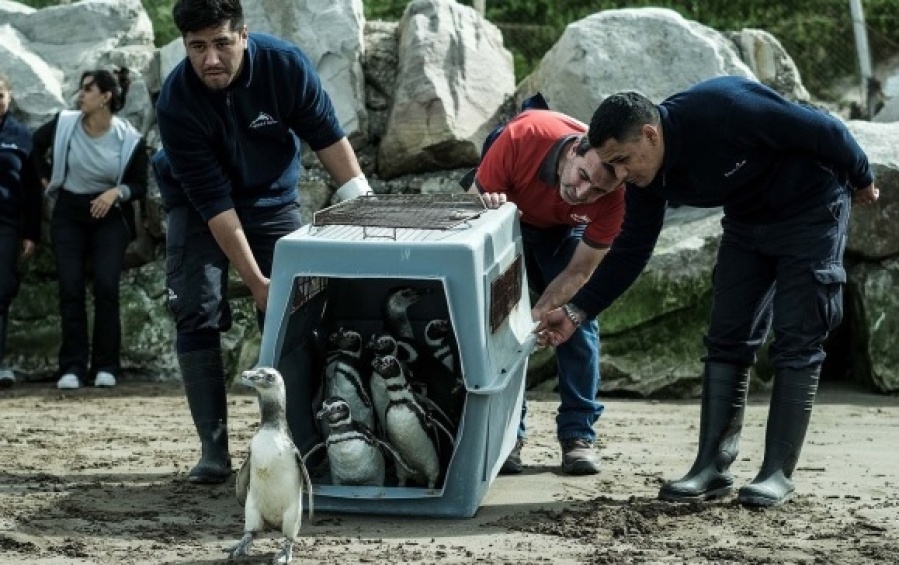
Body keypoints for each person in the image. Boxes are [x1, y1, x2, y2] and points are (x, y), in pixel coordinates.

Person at [535, 75, 879, 506]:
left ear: (649, 133)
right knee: (727, 335)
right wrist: (575, 314)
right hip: (747, 220)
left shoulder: (724, 109)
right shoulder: (644, 179)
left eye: (624, 160)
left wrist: (862, 178)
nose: (620, 175)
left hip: (811, 208)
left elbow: (825, 129)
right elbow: (630, 253)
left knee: (798, 335)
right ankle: (711, 467)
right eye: (612, 165)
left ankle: (776, 473)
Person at [154, 0, 372, 484]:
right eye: (197, 47)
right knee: (195, 304)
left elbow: (329, 141)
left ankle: (298, 441)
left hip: (272, 198)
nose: (211, 59)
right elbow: (213, 203)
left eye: (222, 44)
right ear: (186, 46)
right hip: (197, 206)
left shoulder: (285, 66)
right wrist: (256, 280)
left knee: (293, 309)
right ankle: (213, 452)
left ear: (244, 35)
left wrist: (366, 211)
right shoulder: (176, 101)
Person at [465, 107, 625, 475]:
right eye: (583, 175)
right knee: (500, 319)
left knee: (578, 320)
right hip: (502, 217)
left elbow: (581, 269)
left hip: (563, 234)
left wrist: (541, 315)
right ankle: (509, 438)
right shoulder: (523, 137)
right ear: (573, 151)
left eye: (598, 189)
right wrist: (487, 208)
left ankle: (577, 436)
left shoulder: (615, 198)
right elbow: (469, 222)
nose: (583, 192)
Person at [32, 68, 147, 391]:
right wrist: (45, 178)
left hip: (108, 217)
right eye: (81, 89)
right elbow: (35, 145)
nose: (80, 95)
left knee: (106, 289)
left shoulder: (129, 138)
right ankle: (71, 367)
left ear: (106, 97)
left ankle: (106, 366)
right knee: (70, 289)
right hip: (69, 212)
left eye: (87, 89)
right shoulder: (65, 123)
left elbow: (139, 183)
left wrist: (115, 193)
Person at [0, 74, 42, 388]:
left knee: (1, 292)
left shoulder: (22, 136)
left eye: (0, 93)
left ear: (9, 96)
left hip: (7, 224)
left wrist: (32, 233)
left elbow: (33, 190)